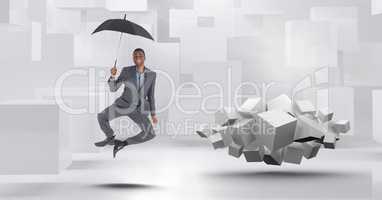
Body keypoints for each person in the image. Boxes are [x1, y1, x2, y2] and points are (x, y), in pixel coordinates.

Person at [94, 48, 158, 158]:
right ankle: (110, 137)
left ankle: (122, 143)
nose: (137, 57)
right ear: (133, 58)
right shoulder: (127, 71)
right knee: (101, 116)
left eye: (140, 55)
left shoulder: (152, 75)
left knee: (150, 134)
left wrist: (153, 114)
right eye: (135, 55)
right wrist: (113, 76)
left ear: (144, 57)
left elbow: (151, 95)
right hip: (123, 105)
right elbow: (113, 88)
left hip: (138, 109)